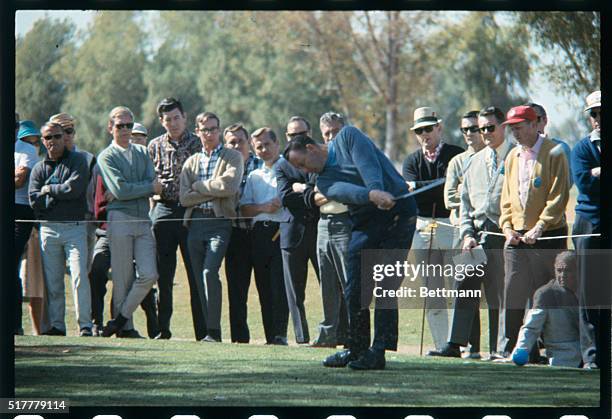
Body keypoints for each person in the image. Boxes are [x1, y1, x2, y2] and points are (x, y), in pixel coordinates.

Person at [284, 126, 417, 370]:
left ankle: (378, 352)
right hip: (366, 218)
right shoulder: (323, 182)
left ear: (312, 148)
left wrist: (376, 188)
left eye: (302, 164)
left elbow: (367, 164)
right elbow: (348, 192)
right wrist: (372, 195)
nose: (304, 171)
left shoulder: (347, 137)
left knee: (386, 285)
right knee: (354, 286)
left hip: (399, 213)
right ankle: (356, 349)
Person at [430, 106, 514, 360]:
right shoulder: (473, 161)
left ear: (503, 127)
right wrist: (467, 233)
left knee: (499, 294)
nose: (485, 133)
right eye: (481, 128)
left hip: (503, 233)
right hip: (475, 236)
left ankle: (500, 348)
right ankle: (457, 344)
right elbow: (464, 203)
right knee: (464, 287)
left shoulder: (515, 156)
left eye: (489, 127)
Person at [498, 105, 570, 361]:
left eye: (518, 127)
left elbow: (559, 196)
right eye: (512, 129)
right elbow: (506, 199)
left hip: (547, 234)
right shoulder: (512, 157)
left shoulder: (555, 152)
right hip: (516, 236)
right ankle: (510, 348)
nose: (515, 133)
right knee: (513, 289)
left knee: (541, 293)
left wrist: (540, 226)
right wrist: (507, 227)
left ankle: (539, 349)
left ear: (533, 124)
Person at [402, 107, 464, 353]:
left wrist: (420, 185)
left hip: (452, 225)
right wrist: (434, 185)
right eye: (419, 131)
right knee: (433, 292)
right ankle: (442, 346)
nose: (424, 134)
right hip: (423, 226)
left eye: (429, 129)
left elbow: (449, 191)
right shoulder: (411, 161)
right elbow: (415, 194)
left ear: (439, 128)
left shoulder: (455, 155)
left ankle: (458, 343)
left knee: (457, 290)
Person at [97, 106, 162, 337]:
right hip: (120, 219)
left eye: (128, 125)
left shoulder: (143, 153)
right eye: (120, 125)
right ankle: (127, 328)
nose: (125, 130)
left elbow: (138, 185)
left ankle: (118, 320)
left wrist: (129, 190)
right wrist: (144, 189)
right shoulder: (106, 156)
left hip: (143, 219)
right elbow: (122, 190)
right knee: (122, 279)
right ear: (110, 128)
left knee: (149, 274)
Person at [179, 112, 243, 342]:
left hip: (220, 223)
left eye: (214, 129)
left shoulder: (233, 156)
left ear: (219, 130)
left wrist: (198, 186)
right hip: (195, 223)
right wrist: (209, 190)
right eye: (205, 129)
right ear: (197, 132)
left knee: (209, 272)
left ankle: (214, 331)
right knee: (198, 277)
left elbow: (229, 187)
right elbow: (184, 198)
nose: (210, 133)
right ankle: (209, 332)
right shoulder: (191, 161)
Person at [28, 122, 92, 336]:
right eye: (49, 137)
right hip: (48, 230)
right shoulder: (39, 168)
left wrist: (48, 189)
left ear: (65, 137)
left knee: (79, 276)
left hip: (74, 228)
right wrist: (56, 194)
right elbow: (34, 200)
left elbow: (74, 189)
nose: (53, 141)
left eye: (57, 136)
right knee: (53, 282)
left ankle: (85, 326)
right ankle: (57, 326)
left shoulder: (78, 161)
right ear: (43, 141)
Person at [148, 98, 203, 340]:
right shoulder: (154, 145)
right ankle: (163, 329)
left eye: (176, 118)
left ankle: (204, 332)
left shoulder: (198, 143)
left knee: (195, 273)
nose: (173, 123)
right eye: (168, 119)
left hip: (191, 210)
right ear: (161, 122)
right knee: (164, 275)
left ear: (185, 117)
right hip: (163, 210)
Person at [89, 164, 158, 338]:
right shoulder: (107, 166)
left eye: (140, 138)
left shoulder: (142, 168)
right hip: (107, 231)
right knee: (97, 271)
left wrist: (123, 194)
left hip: (139, 228)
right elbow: (101, 204)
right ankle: (96, 323)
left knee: (146, 277)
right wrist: (136, 192)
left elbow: (155, 188)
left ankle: (125, 323)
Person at [440, 110, 485, 358]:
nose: (469, 134)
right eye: (464, 130)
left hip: (490, 231)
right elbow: (449, 197)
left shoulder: (495, 158)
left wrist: (468, 194)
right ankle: (467, 345)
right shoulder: (458, 161)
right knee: (465, 290)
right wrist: (476, 197)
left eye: (474, 128)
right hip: (464, 231)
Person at [239, 127, 290, 345]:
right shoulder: (254, 175)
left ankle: (281, 334)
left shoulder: (289, 170)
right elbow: (244, 208)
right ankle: (271, 336)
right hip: (259, 233)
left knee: (280, 285)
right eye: (258, 147)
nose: (263, 150)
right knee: (263, 286)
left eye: (267, 144)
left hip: (281, 231)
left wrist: (280, 203)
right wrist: (263, 207)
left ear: (277, 144)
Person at [275, 116, 321, 344]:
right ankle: (302, 338)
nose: (297, 138)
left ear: (310, 132)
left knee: (331, 287)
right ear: (286, 137)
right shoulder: (282, 164)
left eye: (301, 133)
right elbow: (284, 197)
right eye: (292, 135)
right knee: (295, 292)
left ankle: (338, 332)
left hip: (320, 231)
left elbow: (320, 188)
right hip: (292, 235)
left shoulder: (320, 158)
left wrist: (302, 188)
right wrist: (311, 193)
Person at [222, 123, 265, 343]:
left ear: (248, 143)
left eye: (240, 141)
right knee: (237, 293)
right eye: (231, 142)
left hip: (261, 235)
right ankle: (240, 340)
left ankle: (274, 338)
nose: (236, 145)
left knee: (267, 289)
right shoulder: (224, 168)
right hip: (235, 235)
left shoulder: (261, 166)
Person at [311, 111, 350, 348]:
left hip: (345, 223)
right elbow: (314, 196)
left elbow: (345, 191)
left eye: (336, 132)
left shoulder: (352, 157)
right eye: (327, 133)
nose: (331, 137)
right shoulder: (321, 161)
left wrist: (329, 192)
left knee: (349, 283)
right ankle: (328, 335)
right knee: (327, 282)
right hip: (323, 224)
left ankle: (355, 334)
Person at [571, 90, 601, 369]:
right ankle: (591, 356)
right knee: (590, 292)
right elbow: (584, 184)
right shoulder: (582, 148)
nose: (598, 119)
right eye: (594, 114)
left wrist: (599, 172)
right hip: (589, 223)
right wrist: (593, 174)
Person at [512, 251, 582, 368]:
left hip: (593, 355)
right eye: (559, 271)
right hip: (563, 357)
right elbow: (531, 327)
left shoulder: (590, 290)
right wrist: (522, 349)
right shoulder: (545, 294)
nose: (562, 275)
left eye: (568, 270)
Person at [48, 113, 97, 270]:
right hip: (53, 225)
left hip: (84, 223)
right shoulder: (45, 163)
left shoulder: (89, 159)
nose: (65, 136)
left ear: (74, 133)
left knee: (83, 275)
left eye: (68, 131)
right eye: (59, 133)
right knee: (53, 280)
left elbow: (96, 191)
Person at [14, 118, 40, 335]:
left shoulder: (27, 149)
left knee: (10, 263)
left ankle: (14, 323)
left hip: (19, 210)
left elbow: (20, 180)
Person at [527, 103, 573, 186]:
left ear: (545, 120)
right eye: (526, 121)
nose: (531, 125)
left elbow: (567, 182)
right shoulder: (516, 153)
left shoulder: (560, 148)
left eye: (535, 119)